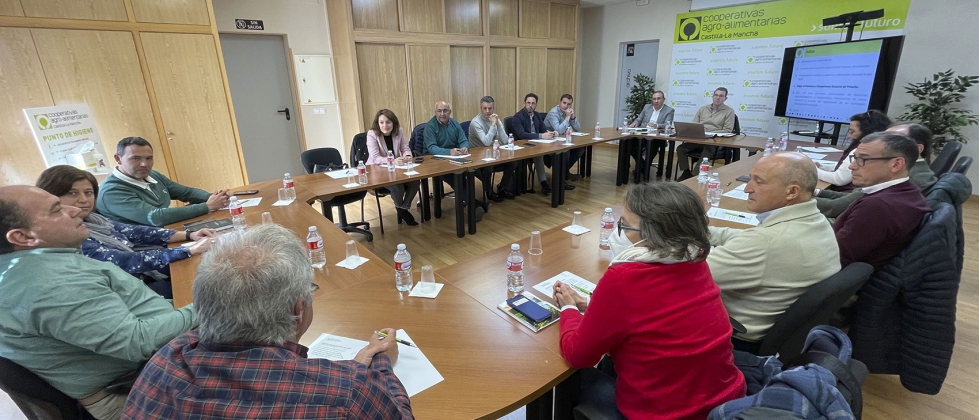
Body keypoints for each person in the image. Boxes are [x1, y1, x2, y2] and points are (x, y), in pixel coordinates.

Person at [122, 224, 413, 419]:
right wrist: (380, 364)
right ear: (297, 310)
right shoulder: (346, 393)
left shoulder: (164, 362)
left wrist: (356, 364)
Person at [0, 185, 197, 420]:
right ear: (23, 236)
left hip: (154, 364)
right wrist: (213, 306)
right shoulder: (49, 284)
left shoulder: (40, 264)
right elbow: (136, 342)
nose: (74, 209)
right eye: (56, 210)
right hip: (141, 386)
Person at [552, 183, 746, 419]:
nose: (620, 232)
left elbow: (578, 355)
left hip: (666, 412)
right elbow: (656, 313)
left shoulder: (624, 278)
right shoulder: (695, 260)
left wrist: (569, 309)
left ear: (653, 234)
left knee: (564, 378)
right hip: (726, 400)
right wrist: (593, 306)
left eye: (625, 225)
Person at [707, 153, 840, 350]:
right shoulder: (815, 220)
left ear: (792, 191)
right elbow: (745, 239)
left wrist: (663, 244)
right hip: (771, 327)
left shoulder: (766, 242)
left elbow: (690, 275)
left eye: (758, 182)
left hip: (735, 336)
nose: (747, 188)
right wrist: (697, 232)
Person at [35, 165, 215, 298]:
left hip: (141, 277)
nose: (84, 200)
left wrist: (189, 235)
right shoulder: (69, 234)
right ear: (51, 197)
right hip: (130, 292)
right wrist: (189, 249)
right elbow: (125, 262)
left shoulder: (93, 219)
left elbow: (134, 231)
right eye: (72, 193)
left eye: (88, 193)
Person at [834, 132, 931, 269]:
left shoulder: (877, 207)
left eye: (863, 159)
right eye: (854, 158)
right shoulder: (909, 191)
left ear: (896, 164)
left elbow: (835, 258)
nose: (852, 166)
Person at [96, 137, 231, 227]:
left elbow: (186, 193)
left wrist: (214, 198)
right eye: (136, 159)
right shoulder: (111, 191)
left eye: (149, 158)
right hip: (144, 244)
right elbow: (156, 217)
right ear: (118, 159)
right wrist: (207, 206)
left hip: (169, 230)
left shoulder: (152, 174)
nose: (145, 164)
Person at [815, 122, 938, 218]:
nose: (852, 166)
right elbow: (853, 197)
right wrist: (816, 192)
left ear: (917, 149)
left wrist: (799, 196)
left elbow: (835, 208)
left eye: (893, 139)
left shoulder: (904, 178)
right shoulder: (919, 173)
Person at [423, 101, 487, 221]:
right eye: (439, 111)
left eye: (445, 111)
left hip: (454, 158)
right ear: (435, 112)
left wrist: (464, 147)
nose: (442, 114)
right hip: (434, 161)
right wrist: (449, 152)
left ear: (449, 112)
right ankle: (475, 205)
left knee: (466, 173)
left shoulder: (454, 123)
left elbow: (464, 140)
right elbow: (431, 148)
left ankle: (474, 204)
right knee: (454, 178)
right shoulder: (430, 127)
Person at [365, 109, 421, 225]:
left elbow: (405, 148)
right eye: (381, 122)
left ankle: (402, 209)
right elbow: (375, 158)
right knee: (397, 186)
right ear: (378, 123)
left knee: (415, 181)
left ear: (393, 123)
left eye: (388, 122)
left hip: (395, 169)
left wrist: (407, 156)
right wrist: (392, 161)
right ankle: (403, 212)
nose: (385, 125)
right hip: (376, 171)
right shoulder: (372, 134)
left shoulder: (399, 131)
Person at [816, 110, 892, 192]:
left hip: (844, 193)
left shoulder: (860, 151)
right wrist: (824, 167)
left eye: (852, 131)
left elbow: (838, 179)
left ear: (866, 132)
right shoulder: (881, 148)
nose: (849, 136)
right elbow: (846, 171)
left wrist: (812, 169)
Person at [676, 87, 736, 180]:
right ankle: (686, 172)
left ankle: (693, 175)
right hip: (700, 139)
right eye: (716, 95)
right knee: (681, 148)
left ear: (725, 98)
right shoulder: (703, 109)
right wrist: (699, 129)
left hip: (714, 141)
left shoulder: (729, 111)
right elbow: (694, 124)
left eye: (721, 96)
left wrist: (710, 132)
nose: (717, 98)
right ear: (712, 96)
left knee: (707, 151)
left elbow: (728, 130)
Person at [468, 95, 518, 202]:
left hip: (492, 152)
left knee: (513, 162)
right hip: (477, 156)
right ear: (480, 108)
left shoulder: (496, 119)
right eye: (485, 108)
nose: (487, 111)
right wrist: (493, 124)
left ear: (493, 108)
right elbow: (486, 142)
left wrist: (498, 125)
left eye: (490, 108)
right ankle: (488, 191)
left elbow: (505, 140)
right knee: (488, 166)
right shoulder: (475, 123)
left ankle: (502, 187)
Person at [512, 93, 560, 195]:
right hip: (523, 146)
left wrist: (551, 133)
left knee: (558, 152)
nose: (530, 105)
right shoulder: (518, 117)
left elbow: (543, 129)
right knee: (539, 154)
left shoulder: (537, 115)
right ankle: (543, 182)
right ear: (524, 103)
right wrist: (541, 136)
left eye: (533, 103)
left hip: (538, 143)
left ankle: (560, 180)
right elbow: (521, 134)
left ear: (536, 105)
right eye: (528, 103)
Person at [544, 94, 586, 189]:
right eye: (564, 103)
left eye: (569, 104)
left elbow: (578, 128)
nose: (566, 106)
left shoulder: (568, 112)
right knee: (565, 151)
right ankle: (561, 178)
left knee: (580, 149)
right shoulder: (553, 113)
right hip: (548, 142)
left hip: (560, 141)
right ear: (560, 102)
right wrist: (567, 117)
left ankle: (564, 173)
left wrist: (572, 117)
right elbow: (559, 130)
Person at [628, 90, 675, 177]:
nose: (656, 101)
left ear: (663, 99)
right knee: (629, 142)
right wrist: (635, 123)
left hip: (656, 136)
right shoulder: (647, 107)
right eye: (654, 99)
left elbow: (667, 124)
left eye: (658, 99)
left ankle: (643, 167)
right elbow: (639, 119)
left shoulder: (669, 110)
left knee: (654, 145)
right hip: (643, 133)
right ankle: (643, 165)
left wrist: (656, 125)